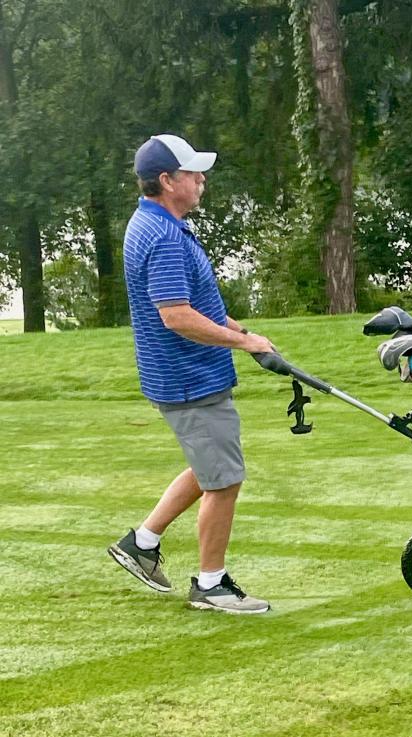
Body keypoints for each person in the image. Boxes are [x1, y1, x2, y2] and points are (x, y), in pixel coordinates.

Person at [108, 134, 275, 614]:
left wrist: (240, 330)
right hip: (188, 378)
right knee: (224, 480)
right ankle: (210, 584)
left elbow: (195, 304)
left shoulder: (159, 223)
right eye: (192, 172)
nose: (201, 179)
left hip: (185, 374)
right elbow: (176, 315)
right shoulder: (161, 235)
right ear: (167, 180)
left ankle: (142, 541)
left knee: (210, 468)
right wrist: (243, 343)